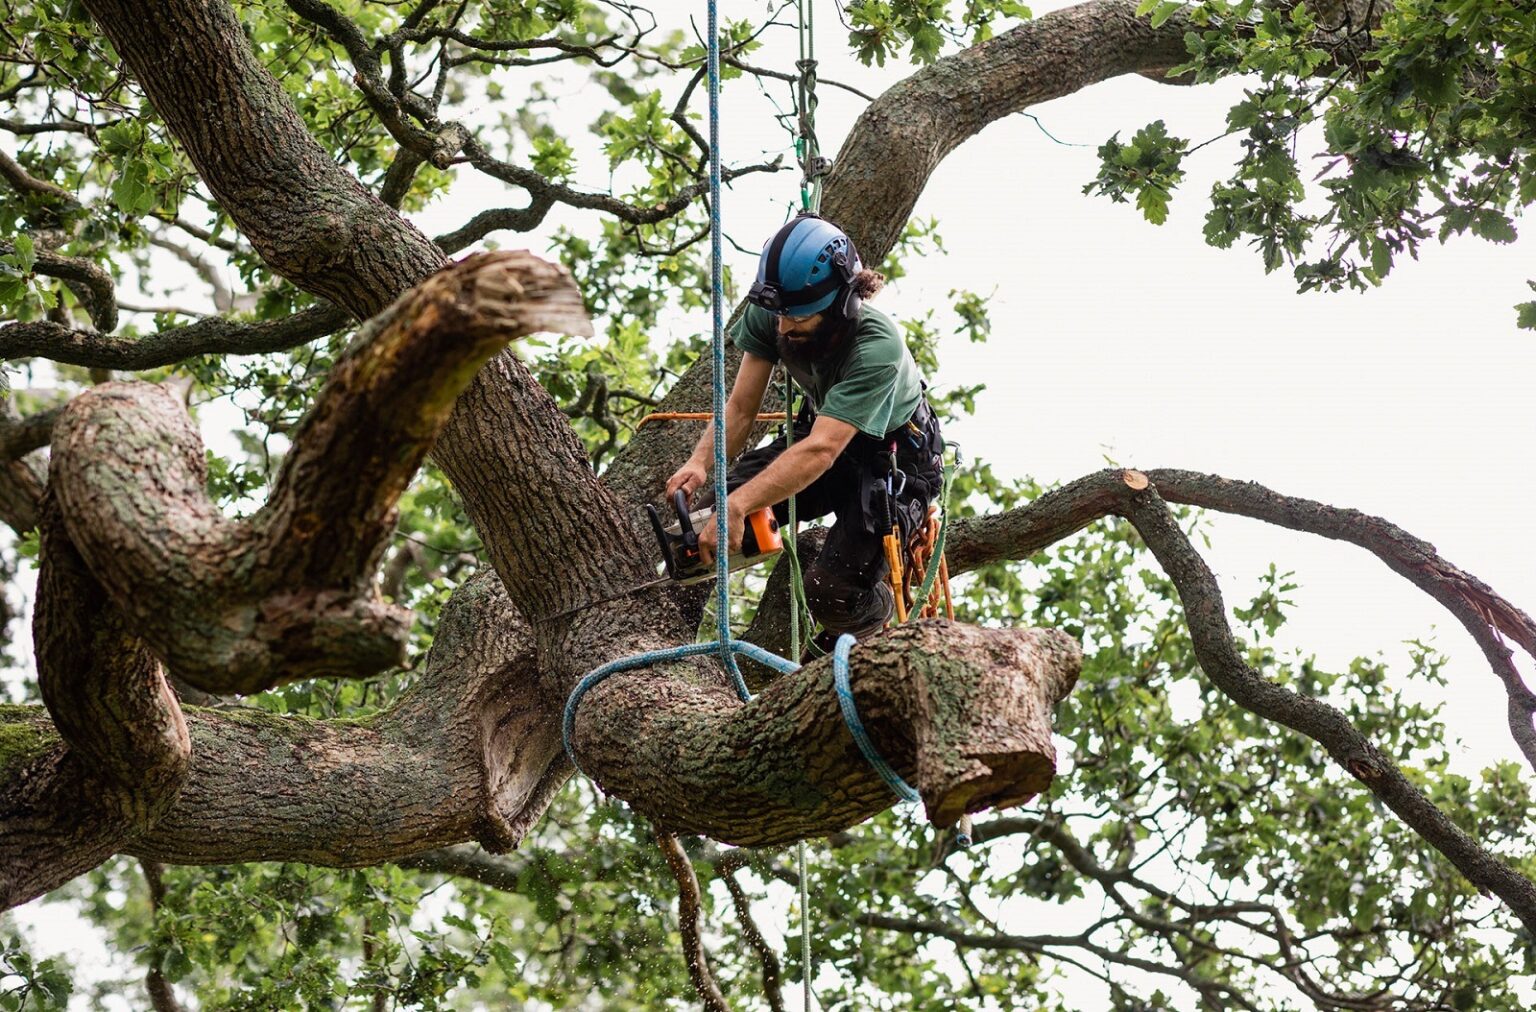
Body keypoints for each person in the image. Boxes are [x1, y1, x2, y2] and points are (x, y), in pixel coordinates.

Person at [665, 213, 944, 640]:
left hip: (892, 464)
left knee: (831, 590)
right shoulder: (779, 309)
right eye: (779, 314)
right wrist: (701, 462)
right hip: (821, 437)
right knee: (705, 525)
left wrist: (740, 505)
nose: (783, 326)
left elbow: (821, 452)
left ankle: (873, 615)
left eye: (798, 317)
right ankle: (672, 632)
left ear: (843, 303)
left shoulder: (877, 347)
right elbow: (741, 408)